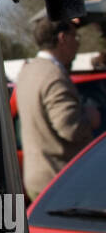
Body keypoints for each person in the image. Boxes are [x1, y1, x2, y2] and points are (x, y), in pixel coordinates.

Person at [15, 16, 102, 203]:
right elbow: (71, 128)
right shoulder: (53, 76)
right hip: (61, 181)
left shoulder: (28, 70)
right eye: (75, 37)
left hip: (40, 179)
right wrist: (90, 117)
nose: (77, 44)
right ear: (63, 38)